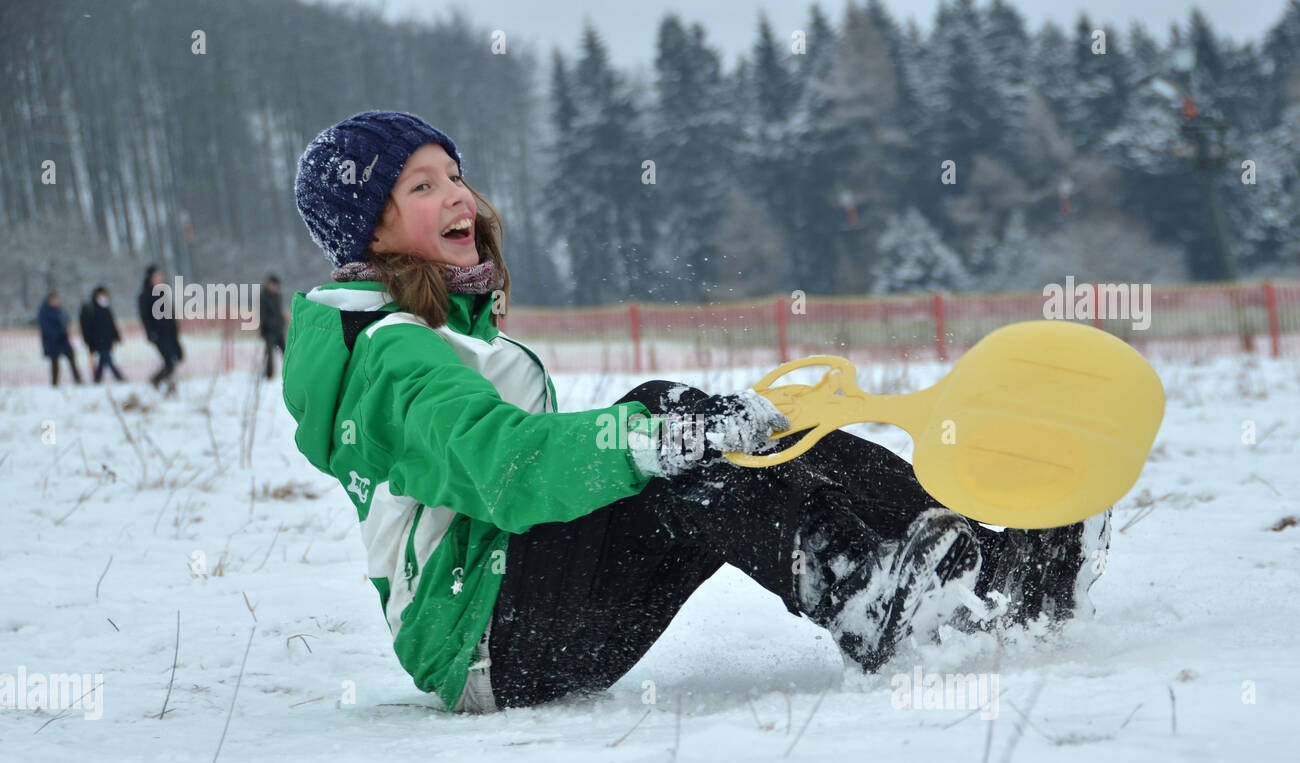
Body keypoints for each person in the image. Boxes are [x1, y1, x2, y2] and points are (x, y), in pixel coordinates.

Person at [284, 110, 1112, 715]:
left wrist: (690, 428)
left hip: (513, 604)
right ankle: (875, 602)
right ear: (376, 234)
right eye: (422, 186)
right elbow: (504, 465)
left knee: (716, 427)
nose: (457, 194)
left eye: (455, 173)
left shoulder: (435, 326)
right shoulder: (392, 352)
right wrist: (656, 440)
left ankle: (981, 563)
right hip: (484, 637)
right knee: (675, 435)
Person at [138, 264, 183, 393]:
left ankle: (166, 382)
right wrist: (151, 333)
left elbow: (170, 313)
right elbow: (145, 317)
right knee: (169, 361)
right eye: (157, 276)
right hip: (158, 334)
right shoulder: (145, 295)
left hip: (170, 333)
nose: (160, 278)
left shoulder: (163, 292)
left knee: (179, 356)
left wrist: (175, 329)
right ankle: (155, 381)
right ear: (150, 278)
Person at [79, 285, 126, 382]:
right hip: (97, 340)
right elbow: (85, 327)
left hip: (107, 340)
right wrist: (88, 340)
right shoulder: (89, 309)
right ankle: (119, 377)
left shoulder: (106, 308)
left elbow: (111, 324)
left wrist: (116, 336)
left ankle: (97, 379)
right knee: (107, 359)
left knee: (103, 360)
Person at [38, 290, 83, 386]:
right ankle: (55, 383)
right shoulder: (44, 311)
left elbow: (66, 320)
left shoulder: (60, 310)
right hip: (52, 341)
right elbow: (45, 327)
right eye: (54, 300)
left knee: (71, 358)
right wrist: (58, 333)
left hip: (63, 340)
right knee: (55, 363)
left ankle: (77, 379)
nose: (57, 302)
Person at [258, 273, 287, 379]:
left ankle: (288, 373)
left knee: (286, 351)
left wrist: (282, 323)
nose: (274, 287)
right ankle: (268, 375)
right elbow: (262, 315)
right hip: (268, 330)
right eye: (272, 285)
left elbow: (279, 312)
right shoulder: (263, 296)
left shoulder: (278, 296)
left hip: (278, 329)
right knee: (269, 353)